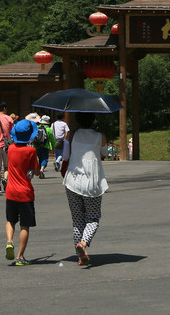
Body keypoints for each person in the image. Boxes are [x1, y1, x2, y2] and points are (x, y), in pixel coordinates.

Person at [61, 112, 109, 267]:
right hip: (93, 183)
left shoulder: (72, 136)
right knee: (93, 218)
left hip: (73, 182)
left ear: (78, 121)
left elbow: (66, 156)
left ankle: (80, 256)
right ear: (93, 120)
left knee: (77, 220)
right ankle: (84, 243)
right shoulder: (99, 136)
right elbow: (105, 153)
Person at [4, 118, 40, 266]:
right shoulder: (31, 151)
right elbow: (36, 172)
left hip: (10, 191)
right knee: (25, 225)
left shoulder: (11, 148)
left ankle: (9, 241)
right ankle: (20, 257)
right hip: (25, 192)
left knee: (10, 220)